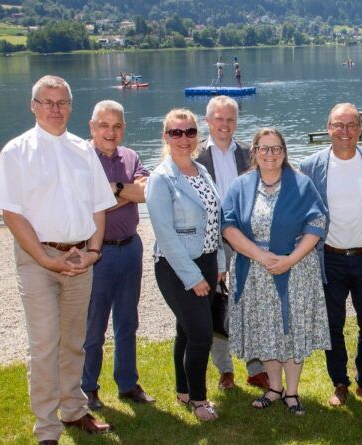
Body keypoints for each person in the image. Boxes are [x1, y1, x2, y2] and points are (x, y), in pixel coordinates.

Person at [0, 75, 116, 444]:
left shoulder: (82, 149)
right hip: (37, 258)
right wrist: (44, 258)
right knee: (44, 343)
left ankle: (73, 410)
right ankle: (46, 426)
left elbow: (99, 206)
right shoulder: (16, 151)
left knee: (75, 340)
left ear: (71, 107)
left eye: (62, 103)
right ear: (34, 106)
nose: (56, 109)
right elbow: (11, 213)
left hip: (79, 256)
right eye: (48, 102)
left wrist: (93, 251)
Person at [222, 128, 330, 416]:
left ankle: (292, 391)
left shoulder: (301, 183)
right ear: (254, 152)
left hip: (295, 270)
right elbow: (229, 226)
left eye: (276, 148)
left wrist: (289, 259)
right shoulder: (240, 185)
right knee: (264, 328)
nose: (270, 154)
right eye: (264, 148)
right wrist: (261, 256)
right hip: (254, 270)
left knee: (291, 330)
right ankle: (273, 387)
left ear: (284, 151)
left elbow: (317, 224)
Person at [300, 103, 362, 406]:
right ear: (328, 128)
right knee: (332, 325)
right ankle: (339, 382)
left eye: (351, 125)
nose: (345, 132)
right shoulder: (311, 165)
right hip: (330, 258)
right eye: (339, 125)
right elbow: (302, 211)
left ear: (360, 129)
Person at [146, 108, 225, 422]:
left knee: (186, 330)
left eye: (189, 131)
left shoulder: (201, 171)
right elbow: (166, 236)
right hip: (176, 267)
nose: (183, 138)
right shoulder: (161, 179)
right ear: (166, 136)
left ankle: (183, 389)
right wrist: (193, 277)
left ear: (197, 135)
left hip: (206, 261)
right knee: (202, 335)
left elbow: (214, 222)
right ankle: (199, 399)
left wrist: (217, 262)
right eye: (176, 132)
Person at [81, 100, 154, 411]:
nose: (110, 132)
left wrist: (112, 190)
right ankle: (88, 388)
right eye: (104, 125)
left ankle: (127, 384)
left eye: (117, 126)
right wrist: (125, 193)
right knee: (93, 325)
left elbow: (146, 192)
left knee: (127, 321)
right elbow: (86, 205)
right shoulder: (80, 158)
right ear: (92, 126)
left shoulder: (131, 157)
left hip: (130, 247)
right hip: (98, 253)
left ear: (123, 128)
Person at [196, 95, 269, 391]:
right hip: (209, 240)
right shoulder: (195, 155)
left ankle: (256, 367)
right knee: (216, 303)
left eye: (230, 119)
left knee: (249, 302)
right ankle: (225, 369)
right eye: (219, 119)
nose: (225, 125)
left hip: (244, 239)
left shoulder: (248, 153)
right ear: (208, 121)